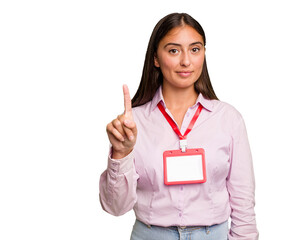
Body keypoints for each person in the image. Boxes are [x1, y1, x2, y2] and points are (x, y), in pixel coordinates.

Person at [99, 13, 259, 240]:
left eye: (195, 49)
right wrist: (121, 154)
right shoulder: (133, 124)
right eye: (174, 50)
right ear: (156, 58)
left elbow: (243, 200)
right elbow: (115, 207)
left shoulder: (228, 119)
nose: (186, 61)